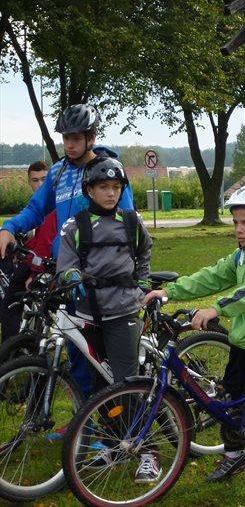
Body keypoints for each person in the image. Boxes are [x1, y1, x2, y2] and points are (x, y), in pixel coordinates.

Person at [143, 185, 245, 499]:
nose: (238, 229)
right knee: (231, 395)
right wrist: (169, 291)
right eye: (236, 222)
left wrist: (216, 309)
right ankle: (234, 454)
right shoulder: (241, 256)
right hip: (243, 340)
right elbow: (210, 276)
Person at [0, 104, 135, 392]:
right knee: (76, 349)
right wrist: (9, 228)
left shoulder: (108, 170)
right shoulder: (58, 172)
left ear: (91, 137)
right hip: (68, 274)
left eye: (75, 138)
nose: (69, 145)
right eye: (65, 138)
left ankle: (118, 409)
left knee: (105, 357)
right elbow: (35, 209)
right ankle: (84, 411)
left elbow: (127, 224)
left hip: (101, 278)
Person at [57, 155, 156, 481]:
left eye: (116, 187)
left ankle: (147, 450)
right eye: (103, 187)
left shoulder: (132, 221)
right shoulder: (75, 226)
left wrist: (142, 283)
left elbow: (144, 252)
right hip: (89, 315)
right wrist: (70, 277)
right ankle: (115, 442)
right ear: (89, 190)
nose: (111, 193)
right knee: (100, 385)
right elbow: (66, 263)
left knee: (127, 383)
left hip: (124, 313)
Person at [0, 161, 58, 343]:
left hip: (44, 265)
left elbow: (45, 243)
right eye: (35, 180)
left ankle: (10, 350)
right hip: (39, 259)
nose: (40, 185)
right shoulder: (39, 205)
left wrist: (34, 274)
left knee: (10, 303)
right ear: (29, 182)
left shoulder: (51, 207)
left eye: (44, 180)